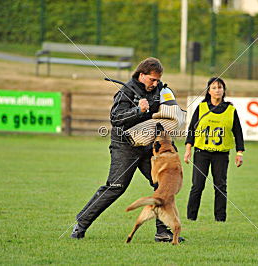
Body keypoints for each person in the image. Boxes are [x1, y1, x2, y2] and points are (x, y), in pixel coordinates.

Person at [71, 57, 184, 242]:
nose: (155, 83)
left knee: (162, 186)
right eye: (152, 80)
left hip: (149, 146)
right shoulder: (126, 92)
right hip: (125, 145)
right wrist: (138, 111)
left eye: (157, 80)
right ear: (141, 75)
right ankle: (81, 224)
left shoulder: (160, 91)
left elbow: (163, 119)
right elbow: (115, 118)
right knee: (116, 187)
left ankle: (163, 232)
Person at [183, 77, 245, 222]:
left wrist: (239, 153)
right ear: (209, 91)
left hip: (221, 155)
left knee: (220, 187)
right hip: (201, 153)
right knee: (197, 186)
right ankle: (191, 218)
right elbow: (192, 129)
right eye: (214, 87)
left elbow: (238, 132)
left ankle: (220, 219)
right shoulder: (201, 107)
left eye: (220, 87)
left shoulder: (230, 110)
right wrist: (188, 150)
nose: (217, 90)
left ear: (224, 90)